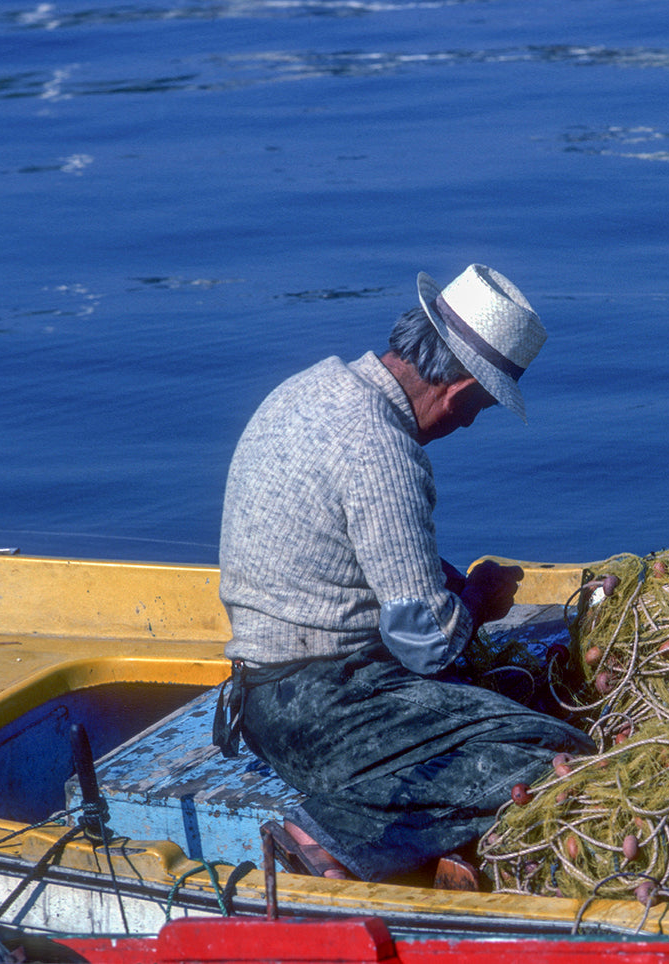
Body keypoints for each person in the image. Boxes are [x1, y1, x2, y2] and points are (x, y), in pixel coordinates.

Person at [215, 264, 594, 886]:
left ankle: (436, 855)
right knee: (554, 752)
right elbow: (427, 644)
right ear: (460, 389)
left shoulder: (310, 387)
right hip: (320, 706)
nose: (471, 422)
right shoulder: (382, 451)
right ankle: (330, 838)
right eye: (481, 406)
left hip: (262, 693)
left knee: (512, 706)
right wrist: (478, 600)